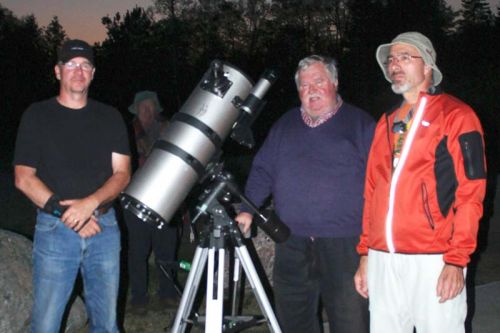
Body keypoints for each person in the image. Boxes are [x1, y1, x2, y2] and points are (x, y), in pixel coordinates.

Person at [354, 32, 487, 333]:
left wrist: (456, 260)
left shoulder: (457, 116)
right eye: (391, 59)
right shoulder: (385, 122)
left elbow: (471, 192)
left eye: (404, 57)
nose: (394, 65)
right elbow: (371, 193)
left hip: (434, 258)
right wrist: (365, 254)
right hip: (383, 259)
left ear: (427, 65)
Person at [236, 55, 373, 333]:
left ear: (334, 83)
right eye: (304, 85)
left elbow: (381, 185)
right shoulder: (284, 125)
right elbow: (263, 170)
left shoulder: (360, 124)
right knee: (293, 322)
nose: (311, 89)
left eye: (319, 81)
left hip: (345, 244)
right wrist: (247, 208)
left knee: (351, 323)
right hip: (291, 242)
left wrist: (372, 247)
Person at [13, 39, 131, 332]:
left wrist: (89, 205)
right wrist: (68, 215)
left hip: (104, 228)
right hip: (55, 231)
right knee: (46, 324)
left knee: (106, 324)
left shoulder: (110, 117)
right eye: (71, 65)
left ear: (93, 73)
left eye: (85, 65)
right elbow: (24, 178)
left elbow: (122, 174)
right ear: (57, 71)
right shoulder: (37, 116)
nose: (78, 71)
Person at [125, 91, 179, 313]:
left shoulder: (171, 129)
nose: (147, 112)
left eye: (150, 107)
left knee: (166, 249)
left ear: (157, 109)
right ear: (136, 110)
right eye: (142, 107)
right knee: (137, 251)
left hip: (167, 198)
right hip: (135, 201)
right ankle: (138, 297)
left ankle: (168, 292)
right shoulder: (127, 132)